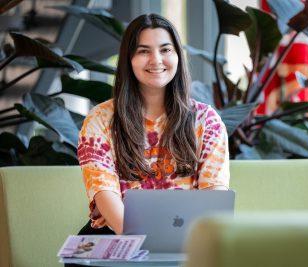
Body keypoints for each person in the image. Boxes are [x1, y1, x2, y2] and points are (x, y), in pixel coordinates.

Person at [76, 13, 230, 237]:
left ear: (178, 55)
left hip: (187, 236)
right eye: (143, 51)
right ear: (129, 59)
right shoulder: (100, 120)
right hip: (118, 233)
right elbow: (104, 193)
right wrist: (143, 245)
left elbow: (214, 197)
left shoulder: (207, 121)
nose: (156, 60)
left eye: (166, 49)